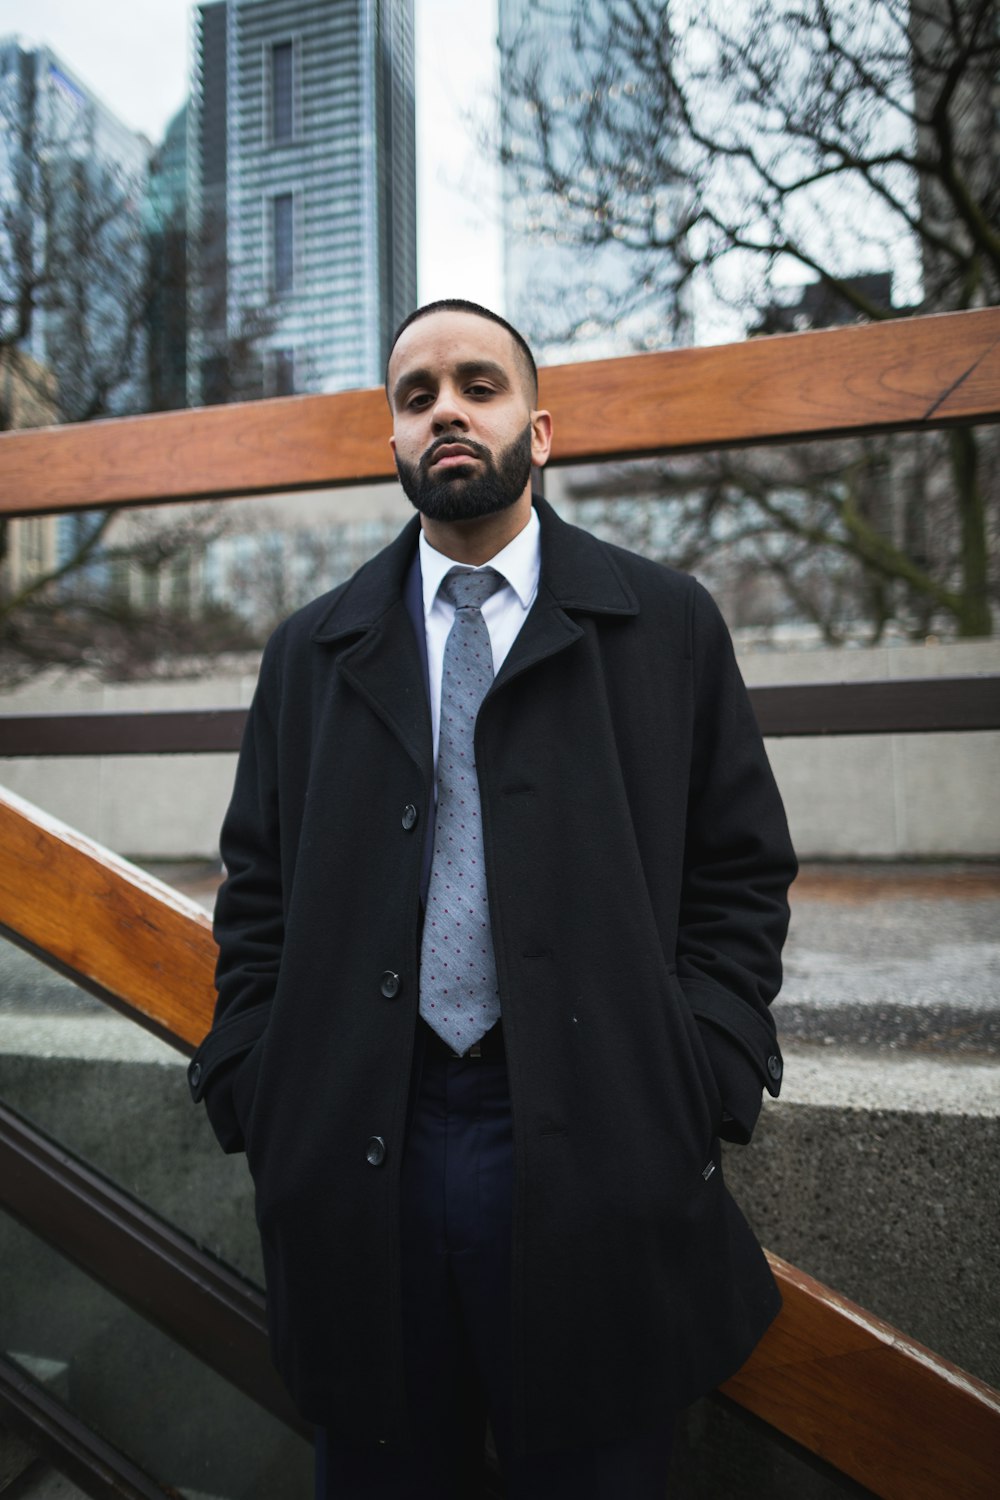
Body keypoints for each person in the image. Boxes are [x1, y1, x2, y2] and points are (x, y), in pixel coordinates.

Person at [188, 299, 797, 1498]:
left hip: (596, 1134)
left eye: (478, 385)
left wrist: (702, 1064)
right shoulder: (308, 652)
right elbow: (255, 891)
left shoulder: (665, 620)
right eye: (416, 398)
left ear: (541, 429)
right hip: (367, 1136)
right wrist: (258, 1077)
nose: (446, 411)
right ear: (396, 442)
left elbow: (740, 869)